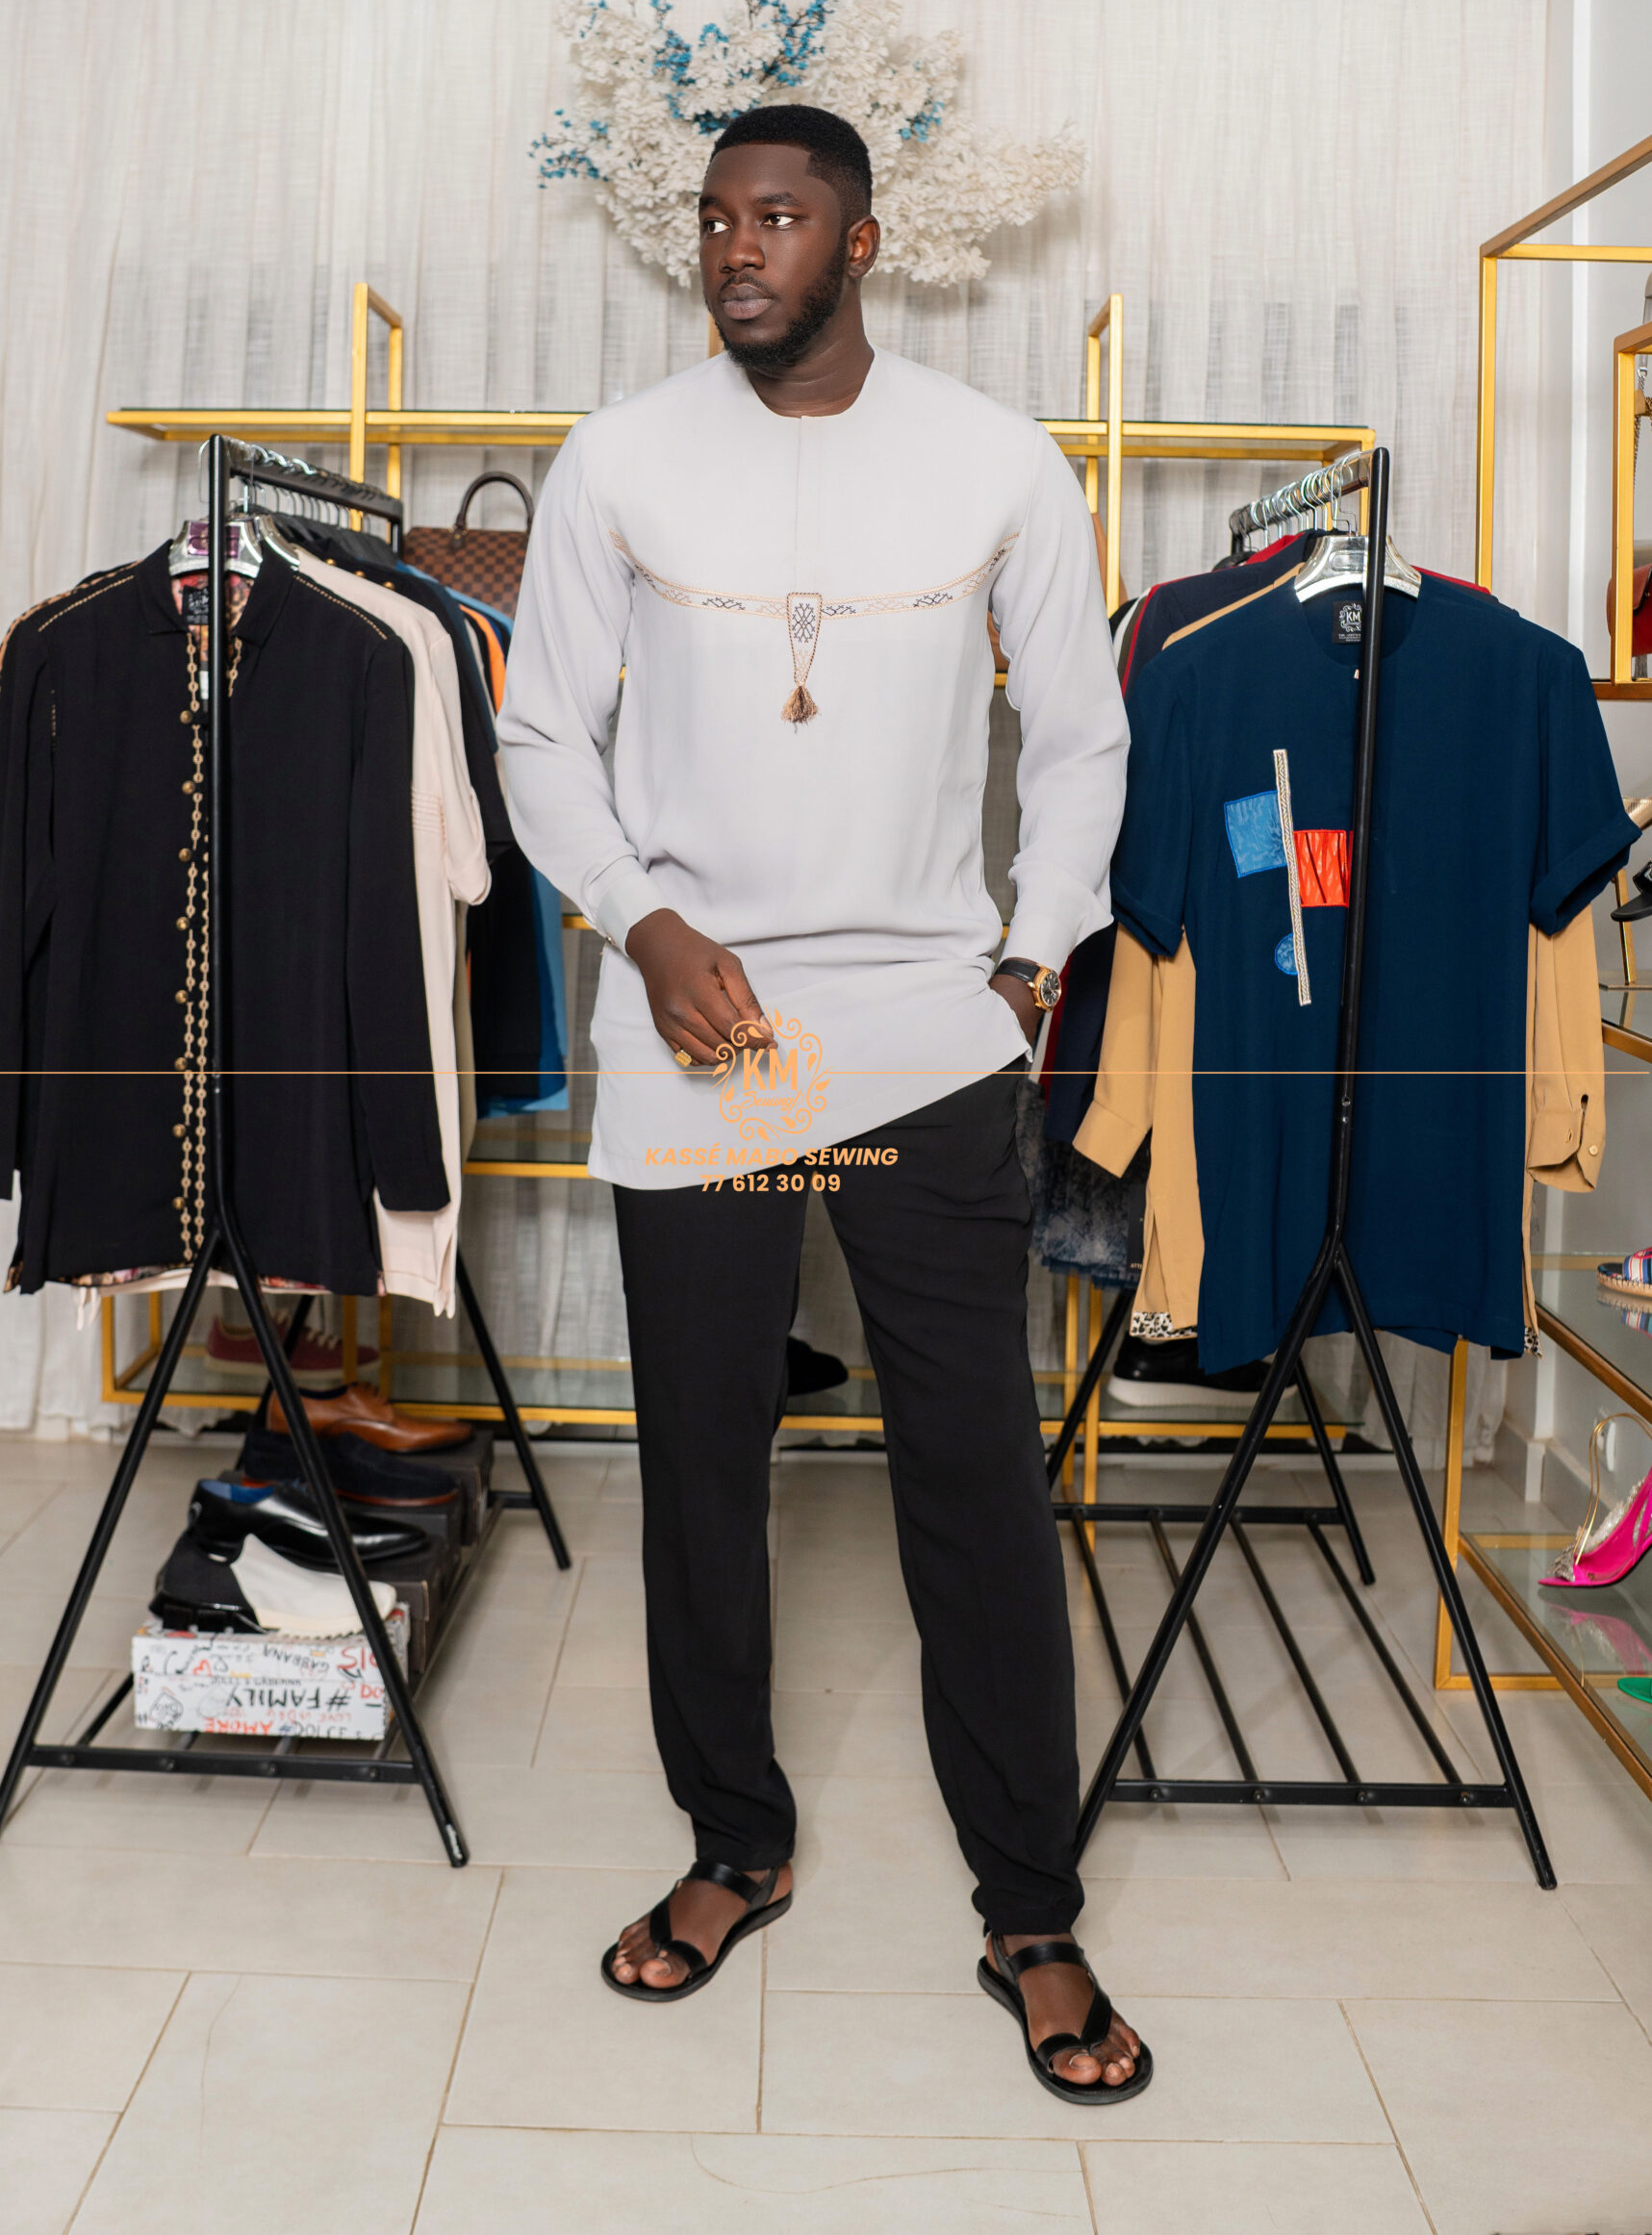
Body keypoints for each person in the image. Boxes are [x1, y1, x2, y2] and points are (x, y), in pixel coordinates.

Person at [498, 104, 1148, 2099]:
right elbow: (539, 737)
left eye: (777, 217)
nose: (735, 247)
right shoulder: (619, 459)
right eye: (715, 217)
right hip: (691, 1024)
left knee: (973, 1468)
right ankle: (734, 1843)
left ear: (859, 242)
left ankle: (1029, 1907)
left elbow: (1084, 737)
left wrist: (1026, 961)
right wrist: (641, 921)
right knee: (701, 1460)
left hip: (921, 1037)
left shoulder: (995, 457)